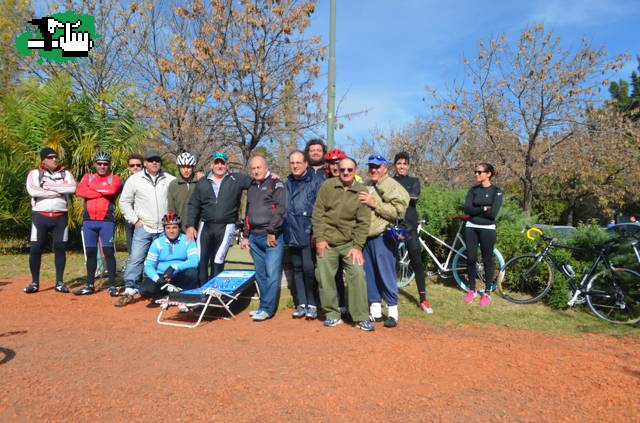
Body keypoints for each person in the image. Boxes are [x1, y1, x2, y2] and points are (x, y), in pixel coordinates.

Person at [312, 157, 373, 331]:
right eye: (342, 170)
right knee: (323, 274)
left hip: (349, 243)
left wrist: (357, 247)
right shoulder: (328, 186)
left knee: (357, 273)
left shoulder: (361, 191)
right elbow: (318, 214)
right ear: (337, 170)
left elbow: (363, 223)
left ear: (355, 171)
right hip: (328, 241)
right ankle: (332, 314)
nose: (345, 173)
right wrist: (320, 239)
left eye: (349, 170)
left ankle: (360, 316)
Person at [117, 150, 175, 307]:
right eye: (151, 160)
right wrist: (135, 220)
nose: (154, 163)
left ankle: (159, 289)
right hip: (144, 227)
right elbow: (124, 202)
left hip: (163, 229)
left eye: (157, 160)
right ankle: (130, 289)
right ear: (145, 163)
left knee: (163, 259)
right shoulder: (134, 180)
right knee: (136, 257)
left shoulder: (169, 179)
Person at [359, 154, 409, 328]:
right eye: (371, 166)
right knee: (370, 274)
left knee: (386, 274)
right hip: (366, 236)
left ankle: (393, 312)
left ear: (385, 168)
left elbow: (399, 212)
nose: (374, 169)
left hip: (383, 236)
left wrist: (375, 204)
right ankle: (375, 311)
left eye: (377, 166)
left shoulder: (393, 185)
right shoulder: (366, 185)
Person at [186, 152, 252, 283]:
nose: (219, 165)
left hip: (226, 226)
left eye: (222, 163)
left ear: (227, 165)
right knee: (201, 260)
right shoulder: (202, 182)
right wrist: (190, 225)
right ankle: (201, 294)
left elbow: (256, 181)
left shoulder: (237, 179)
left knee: (217, 260)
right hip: (206, 226)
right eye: (217, 162)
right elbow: (193, 204)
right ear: (212, 165)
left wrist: (270, 177)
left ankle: (215, 296)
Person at [24, 147, 77, 294]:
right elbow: (33, 190)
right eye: (50, 157)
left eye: (56, 157)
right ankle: (34, 282)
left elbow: (72, 188)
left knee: (60, 249)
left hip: (61, 217)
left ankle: (60, 282)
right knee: (36, 249)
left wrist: (46, 186)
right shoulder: (35, 173)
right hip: (40, 217)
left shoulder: (66, 173)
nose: (54, 159)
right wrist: (59, 189)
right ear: (43, 160)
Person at [240, 156, 285, 321]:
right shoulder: (251, 186)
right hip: (254, 237)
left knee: (272, 273)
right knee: (260, 274)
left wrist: (272, 231)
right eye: (253, 168)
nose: (256, 171)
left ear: (266, 168)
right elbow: (248, 212)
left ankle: (268, 309)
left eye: (259, 167)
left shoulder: (276, 184)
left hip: (272, 237)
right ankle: (262, 306)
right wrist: (245, 235)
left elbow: (280, 209)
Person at [74, 151, 123, 296]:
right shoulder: (87, 177)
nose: (102, 166)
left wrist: (92, 190)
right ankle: (89, 285)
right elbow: (79, 191)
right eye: (99, 163)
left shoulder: (114, 179)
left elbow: (112, 190)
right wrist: (102, 192)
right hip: (89, 221)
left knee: (108, 253)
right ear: (95, 164)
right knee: (90, 253)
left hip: (106, 222)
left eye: (105, 164)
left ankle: (112, 286)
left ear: (109, 165)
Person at [284, 150, 323, 320]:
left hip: (308, 233)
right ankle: (301, 303)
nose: (295, 165)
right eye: (292, 162)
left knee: (309, 269)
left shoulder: (315, 182)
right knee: (297, 269)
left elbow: (319, 209)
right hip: (292, 233)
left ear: (306, 164)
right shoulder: (286, 183)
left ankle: (313, 303)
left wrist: (315, 232)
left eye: (298, 162)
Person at [393, 151, 432, 313]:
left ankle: (423, 299)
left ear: (408, 166)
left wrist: (394, 195)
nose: (402, 166)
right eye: (399, 163)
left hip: (409, 228)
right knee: (391, 262)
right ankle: (388, 295)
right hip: (393, 227)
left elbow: (414, 197)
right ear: (395, 165)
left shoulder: (414, 181)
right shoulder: (389, 180)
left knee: (416, 262)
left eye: (404, 164)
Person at [463, 162, 503, 306]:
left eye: (479, 172)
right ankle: (472, 290)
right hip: (470, 227)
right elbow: (467, 209)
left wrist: (478, 208)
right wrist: (483, 208)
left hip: (488, 229)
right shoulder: (473, 190)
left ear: (488, 174)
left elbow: (493, 214)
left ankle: (487, 292)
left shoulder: (496, 191)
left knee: (487, 260)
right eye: (476, 172)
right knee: (471, 258)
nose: (476, 174)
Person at [140, 212, 199, 308]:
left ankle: (183, 296)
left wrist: (174, 267)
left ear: (179, 228)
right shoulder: (157, 243)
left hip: (180, 275)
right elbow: (149, 266)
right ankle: (166, 295)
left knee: (193, 273)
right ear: (164, 229)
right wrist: (157, 279)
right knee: (144, 290)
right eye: (168, 228)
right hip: (162, 277)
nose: (171, 231)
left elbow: (194, 261)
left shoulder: (188, 240)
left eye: (174, 227)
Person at [323, 147, 349, 314]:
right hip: (328, 236)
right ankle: (335, 306)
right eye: (332, 163)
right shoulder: (324, 183)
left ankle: (352, 306)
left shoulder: (352, 180)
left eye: (338, 163)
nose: (335, 166)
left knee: (353, 273)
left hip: (348, 237)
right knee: (331, 274)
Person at [168, 152, 198, 233]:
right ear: (178, 168)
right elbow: (171, 209)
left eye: (188, 167)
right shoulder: (173, 184)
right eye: (183, 167)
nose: (186, 170)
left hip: (198, 228)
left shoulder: (200, 183)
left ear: (193, 167)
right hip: (180, 229)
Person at [124, 153, 144, 254]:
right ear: (128, 168)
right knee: (132, 250)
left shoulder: (148, 182)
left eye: (138, 165)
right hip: (131, 221)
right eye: (132, 165)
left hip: (145, 220)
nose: (135, 167)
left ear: (143, 166)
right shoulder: (125, 183)